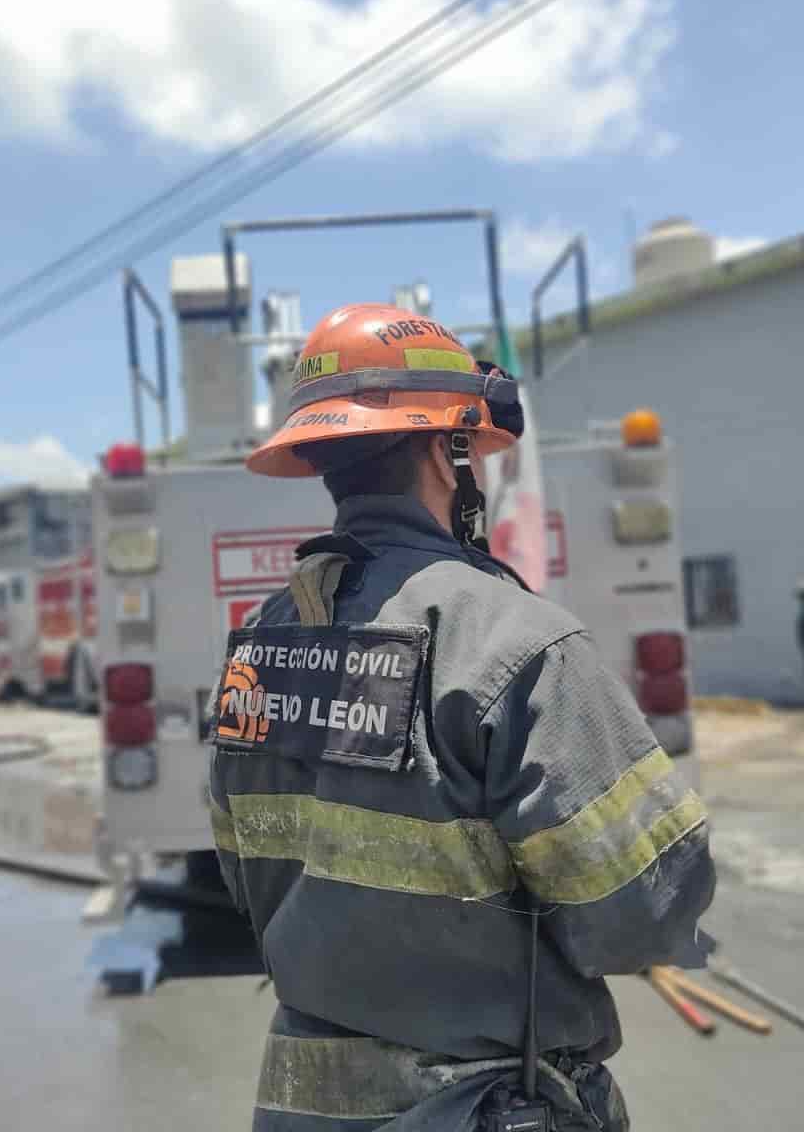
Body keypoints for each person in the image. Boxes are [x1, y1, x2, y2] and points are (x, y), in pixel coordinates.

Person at [207, 305, 716, 1132]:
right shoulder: (515, 641)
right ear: (446, 452)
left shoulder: (264, 640)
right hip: (489, 1109)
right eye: (474, 446)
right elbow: (642, 915)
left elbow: (245, 870)